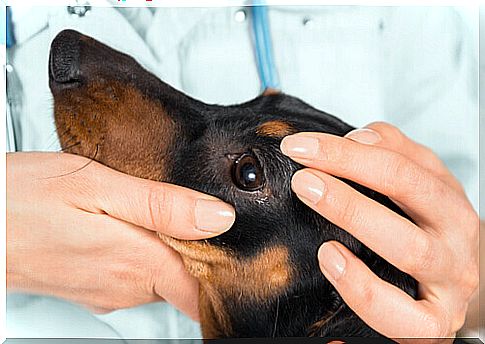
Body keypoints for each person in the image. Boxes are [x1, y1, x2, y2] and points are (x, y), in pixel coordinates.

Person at [5, 3, 480, 340]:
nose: (77, 58)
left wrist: (464, 272)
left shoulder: (419, 22)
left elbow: (472, 294)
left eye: (248, 174)